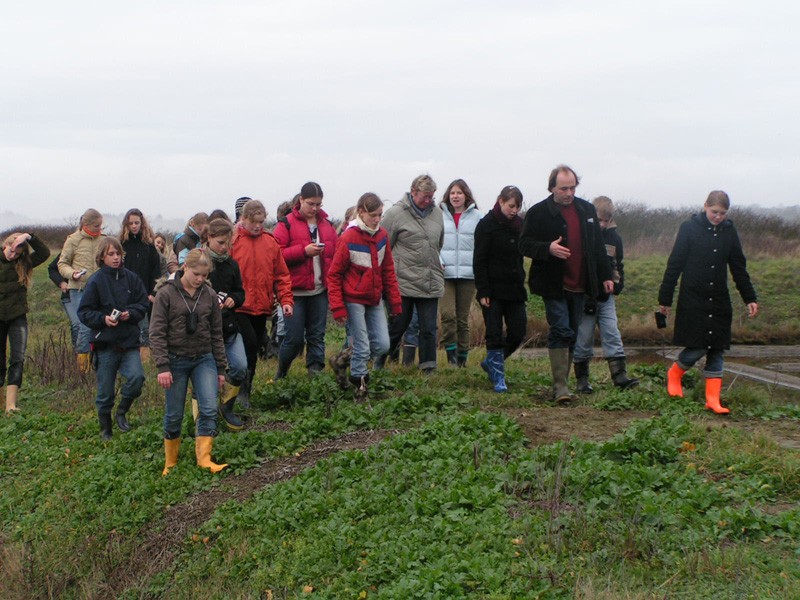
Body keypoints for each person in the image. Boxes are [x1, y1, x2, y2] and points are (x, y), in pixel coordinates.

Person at [658, 191, 758, 414]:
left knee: (717, 348)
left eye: (723, 213)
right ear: (705, 206)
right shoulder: (688, 228)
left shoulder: (730, 232)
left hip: (719, 300)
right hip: (693, 298)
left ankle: (713, 400)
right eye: (714, 212)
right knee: (698, 345)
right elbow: (674, 265)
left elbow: (738, 268)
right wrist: (665, 299)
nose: (718, 217)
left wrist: (749, 297)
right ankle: (675, 373)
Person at [519, 166, 613, 401]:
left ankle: (564, 383)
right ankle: (560, 387)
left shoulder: (586, 210)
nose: (569, 193)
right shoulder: (539, 212)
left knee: (571, 332)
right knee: (560, 329)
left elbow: (597, 247)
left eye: (572, 187)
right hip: (553, 283)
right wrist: (547, 248)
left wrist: (606, 275)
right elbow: (524, 244)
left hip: (581, 282)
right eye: (564, 188)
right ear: (552, 187)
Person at [150, 249, 229, 475]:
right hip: (175, 360)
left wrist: (220, 367)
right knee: (174, 413)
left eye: (204, 275)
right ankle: (170, 463)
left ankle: (204, 459)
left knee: (209, 408)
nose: (200, 279)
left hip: (204, 358)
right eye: (196, 274)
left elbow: (216, 333)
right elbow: (156, 332)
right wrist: (163, 366)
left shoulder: (209, 295)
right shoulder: (166, 294)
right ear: (185, 267)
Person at [327, 193, 402, 402]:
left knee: (382, 345)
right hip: (353, 299)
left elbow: (388, 270)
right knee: (362, 345)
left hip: (375, 298)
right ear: (361, 212)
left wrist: (395, 302)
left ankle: (342, 361)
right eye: (373, 215)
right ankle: (360, 388)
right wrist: (338, 307)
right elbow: (333, 275)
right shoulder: (348, 238)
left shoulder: (382, 236)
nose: (377, 220)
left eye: (380, 215)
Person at [77, 238, 147, 439]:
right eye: (111, 254)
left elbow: (143, 304)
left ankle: (122, 412)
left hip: (128, 342)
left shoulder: (132, 278)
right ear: (102, 257)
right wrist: (103, 319)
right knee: (105, 391)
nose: (116, 258)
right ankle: (105, 429)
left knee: (136, 378)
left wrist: (130, 313)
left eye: (118, 254)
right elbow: (84, 312)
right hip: (105, 343)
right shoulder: (96, 281)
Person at [378, 174, 444, 373]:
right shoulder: (395, 214)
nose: (428, 200)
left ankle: (428, 367)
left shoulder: (437, 214)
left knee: (428, 329)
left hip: (430, 281)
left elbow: (438, 244)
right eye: (424, 196)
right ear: (413, 192)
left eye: (431, 196)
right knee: (397, 325)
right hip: (402, 282)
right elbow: (383, 247)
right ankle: (379, 362)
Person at [573, 196, 639, 392]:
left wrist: (617, 286)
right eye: (598, 220)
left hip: (606, 298)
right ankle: (582, 380)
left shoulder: (614, 238)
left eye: (605, 220)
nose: (601, 224)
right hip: (586, 296)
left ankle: (620, 376)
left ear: (610, 220)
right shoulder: (584, 234)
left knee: (612, 333)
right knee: (583, 337)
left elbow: (618, 265)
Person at [231, 200, 293, 406]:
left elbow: (281, 275)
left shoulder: (270, 242)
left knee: (255, 345)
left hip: (262, 306)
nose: (258, 226)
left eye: (261, 221)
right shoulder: (234, 241)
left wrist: (285, 300)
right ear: (244, 219)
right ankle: (238, 391)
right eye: (253, 222)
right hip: (239, 306)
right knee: (248, 343)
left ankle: (245, 389)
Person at [273, 182, 338, 378]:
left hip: (319, 290)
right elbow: (277, 256)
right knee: (294, 338)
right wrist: (303, 251)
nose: (315, 208)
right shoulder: (285, 224)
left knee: (317, 336)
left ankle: (315, 378)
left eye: (319, 204)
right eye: (311, 204)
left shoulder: (327, 226)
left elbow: (335, 255)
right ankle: (281, 373)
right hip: (294, 292)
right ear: (301, 200)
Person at [473, 186, 527, 392]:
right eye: (511, 206)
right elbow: (479, 260)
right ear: (501, 201)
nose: (514, 210)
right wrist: (483, 291)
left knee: (518, 331)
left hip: (514, 288)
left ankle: (492, 363)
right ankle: (498, 377)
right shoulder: (486, 225)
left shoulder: (521, 225)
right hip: (492, 290)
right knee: (494, 333)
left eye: (518, 206)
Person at [202, 218, 248, 430]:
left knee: (240, 366)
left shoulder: (232, 264)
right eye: (220, 242)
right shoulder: (198, 264)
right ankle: (203, 422)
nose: (224, 247)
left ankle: (227, 406)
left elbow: (240, 291)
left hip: (229, 327)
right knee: (207, 376)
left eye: (227, 243)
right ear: (209, 238)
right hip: (204, 331)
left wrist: (234, 299)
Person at [1, 232, 50, 413]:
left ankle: (11, 405)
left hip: (17, 316)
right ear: (5, 245)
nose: (13, 256)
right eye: (11, 251)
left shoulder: (23, 263)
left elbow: (44, 253)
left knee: (17, 358)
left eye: (17, 254)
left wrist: (29, 236)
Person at [439, 179, 482, 367]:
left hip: (467, 274)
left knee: (462, 319)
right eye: (453, 193)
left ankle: (462, 359)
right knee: (448, 315)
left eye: (459, 193)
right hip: (445, 272)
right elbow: (433, 242)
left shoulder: (478, 217)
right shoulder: (438, 216)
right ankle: (451, 358)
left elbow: (482, 244)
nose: (455, 196)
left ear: (466, 195)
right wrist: (438, 260)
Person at [58, 209, 106, 373]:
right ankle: (82, 368)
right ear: (86, 225)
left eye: (101, 225)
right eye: (96, 226)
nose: (99, 229)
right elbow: (62, 263)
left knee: (99, 324)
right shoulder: (73, 240)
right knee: (84, 325)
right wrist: (72, 274)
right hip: (78, 289)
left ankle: (98, 362)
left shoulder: (104, 240)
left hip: (100, 289)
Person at [119, 208, 161, 358]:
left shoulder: (149, 246)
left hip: (144, 294)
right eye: (131, 223)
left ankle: (144, 362)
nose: (134, 226)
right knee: (127, 327)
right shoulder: (121, 245)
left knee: (144, 329)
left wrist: (153, 292)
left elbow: (156, 271)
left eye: (137, 222)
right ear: (126, 225)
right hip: (124, 293)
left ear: (142, 223)